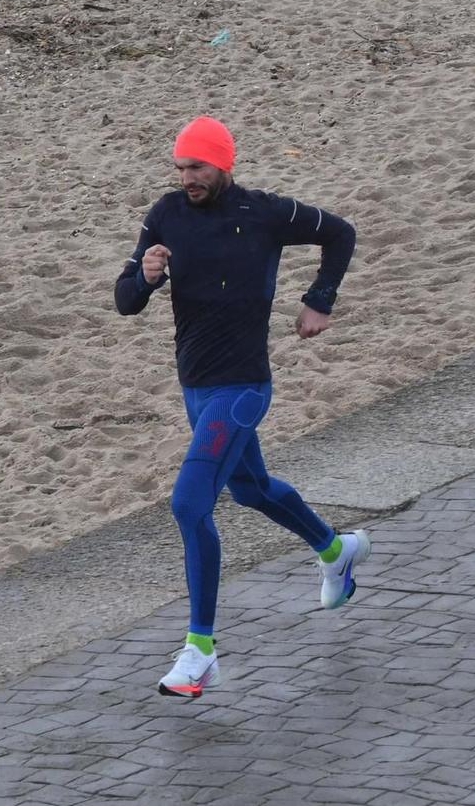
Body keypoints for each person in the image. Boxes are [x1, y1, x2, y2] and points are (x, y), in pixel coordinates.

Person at [114, 116, 369, 698]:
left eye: (197, 168)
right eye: (180, 169)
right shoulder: (166, 214)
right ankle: (337, 549)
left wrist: (319, 300)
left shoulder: (266, 212)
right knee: (250, 489)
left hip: (243, 386)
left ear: (224, 164)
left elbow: (342, 233)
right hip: (195, 385)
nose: (187, 180)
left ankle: (200, 651)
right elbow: (126, 301)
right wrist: (146, 276)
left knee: (189, 504)